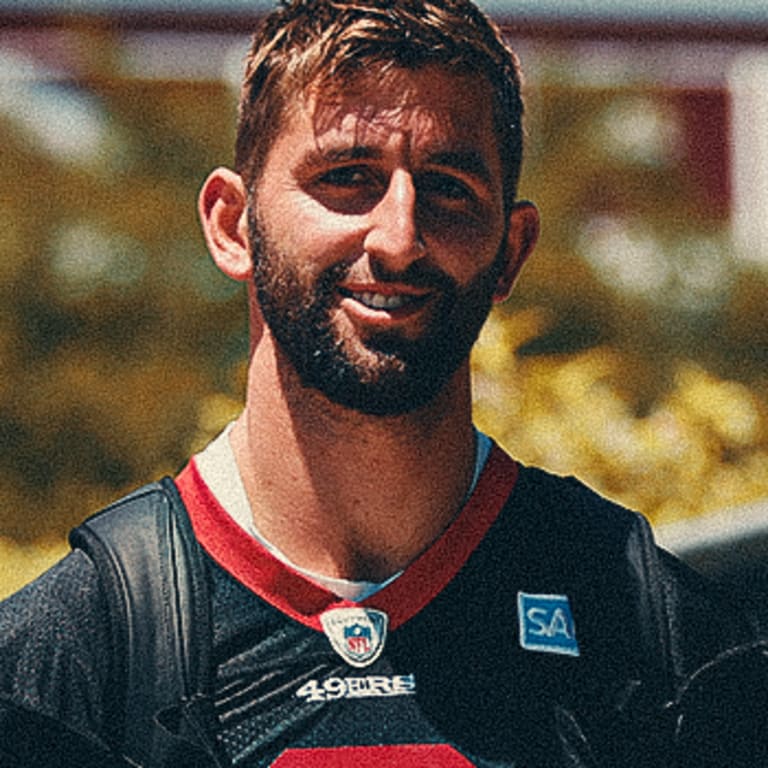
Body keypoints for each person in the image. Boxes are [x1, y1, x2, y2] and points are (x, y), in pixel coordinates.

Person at [0, 0, 764, 765]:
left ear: (511, 251)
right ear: (233, 224)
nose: (399, 238)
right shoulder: (71, 665)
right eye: (346, 178)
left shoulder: (657, 640)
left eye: (449, 188)